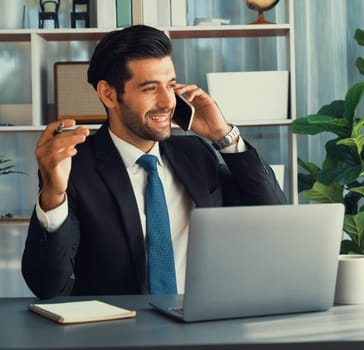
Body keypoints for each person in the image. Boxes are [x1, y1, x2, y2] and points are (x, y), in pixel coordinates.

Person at [21, 25, 287, 299]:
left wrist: (225, 136)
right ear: (108, 94)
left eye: (171, 85)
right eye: (150, 88)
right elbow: (47, 286)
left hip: (203, 323)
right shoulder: (74, 167)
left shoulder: (195, 153)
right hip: (120, 333)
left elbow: (275, 220)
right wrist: (52, 194)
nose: (167, 101)